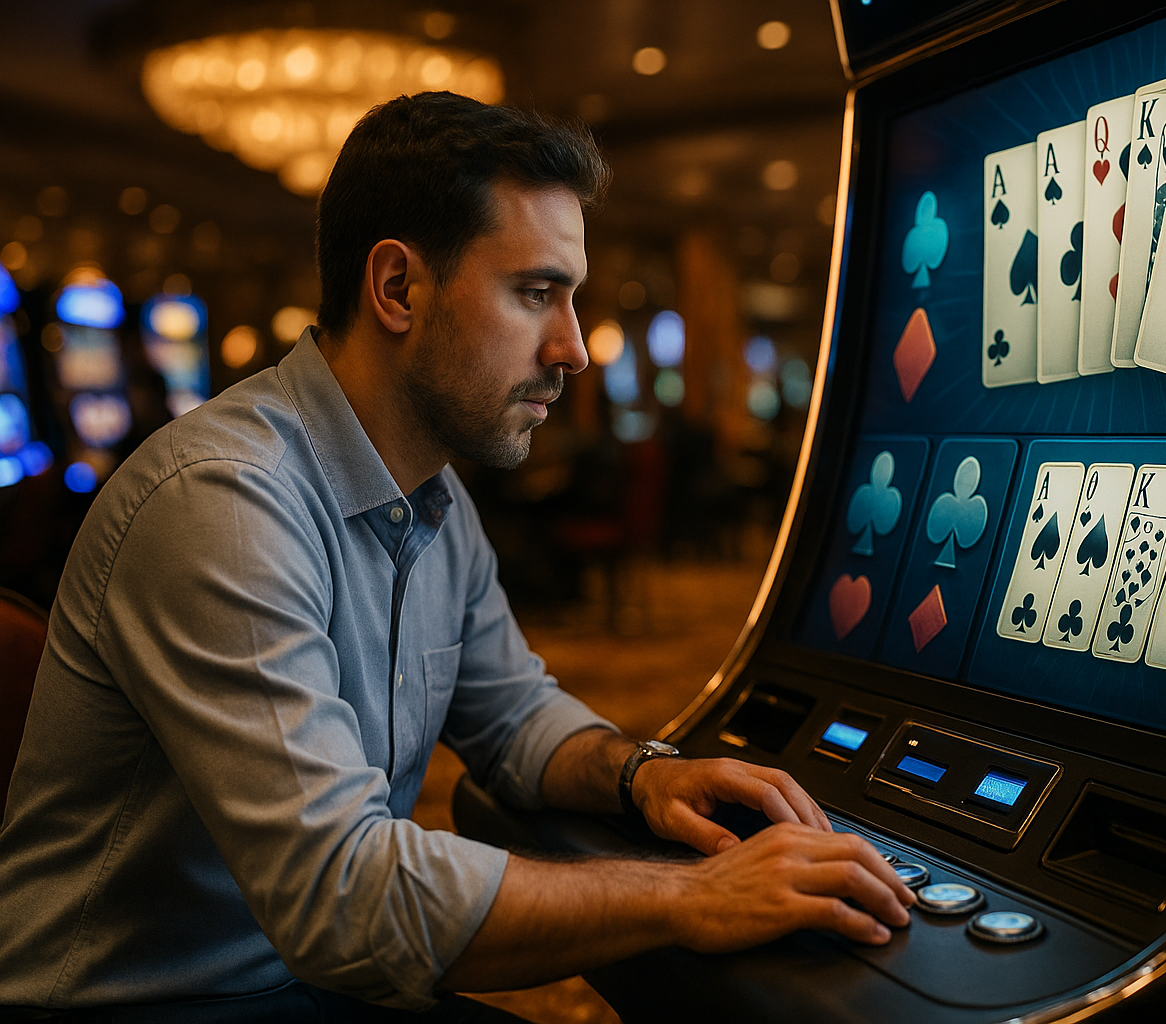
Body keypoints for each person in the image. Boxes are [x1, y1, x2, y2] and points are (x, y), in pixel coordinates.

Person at [0, 92, 913, 1021]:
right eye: (535, 293)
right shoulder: (224, 499)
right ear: (399, 288)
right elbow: (341, 898)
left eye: (572, 297)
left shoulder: (433, 494)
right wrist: (694, 896)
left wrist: (643, 772)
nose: (572, 348)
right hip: (144, 1000)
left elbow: (512, 716)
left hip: (301, 984)